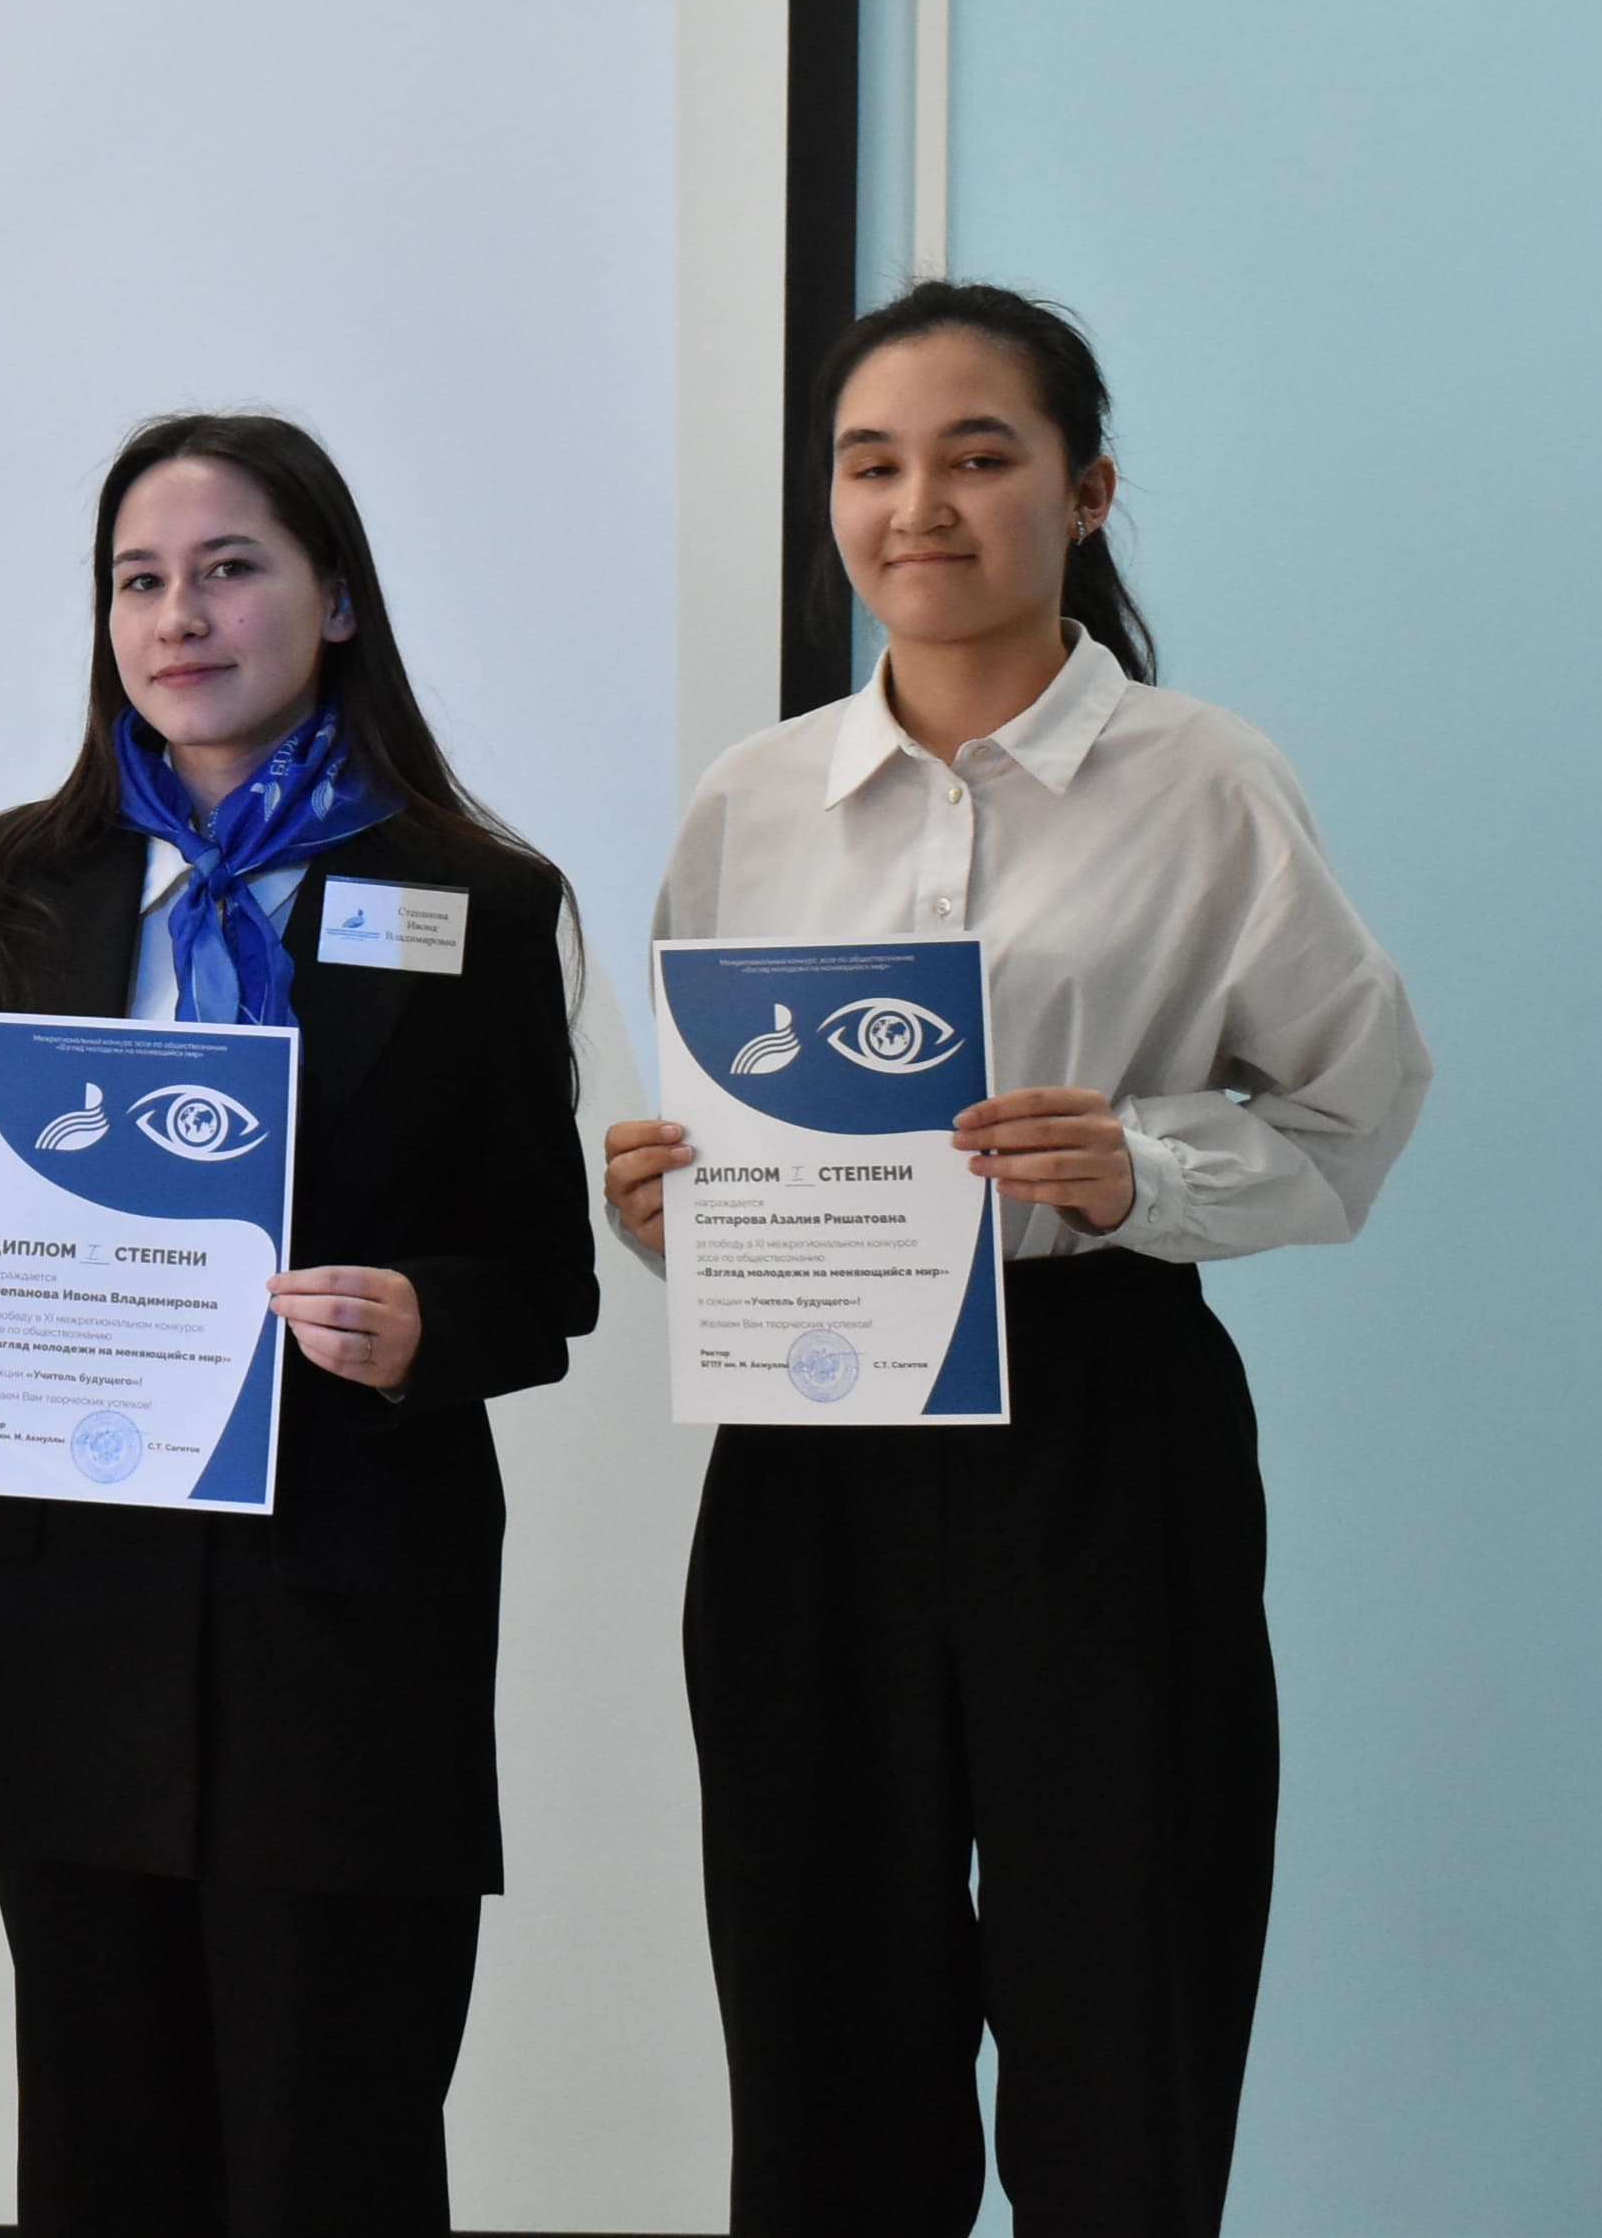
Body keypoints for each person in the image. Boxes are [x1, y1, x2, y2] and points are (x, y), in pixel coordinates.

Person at [602, 281, 1431, 2238]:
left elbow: (1354, 1109)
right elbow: (741, 1142)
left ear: (1087, 491)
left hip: (1097, 1424)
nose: (919, 507)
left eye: (979, 457)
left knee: (1120, 2009)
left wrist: (1139, 1171)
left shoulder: (1203, 778)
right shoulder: (753, 799)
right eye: (871, 464)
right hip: (813, 1447)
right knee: (820, 2020)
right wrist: (667, 1216)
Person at [0, 412, 596, 2238]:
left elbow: (542, 1278)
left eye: (229, 569)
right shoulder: (17, 883)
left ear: (335, 599)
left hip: (350, 1628)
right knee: (103, 2163)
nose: (177, 616)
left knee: (333, 2156)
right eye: (138, 580)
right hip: (76, 1622)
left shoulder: (479, 899)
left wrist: (423, 1323)